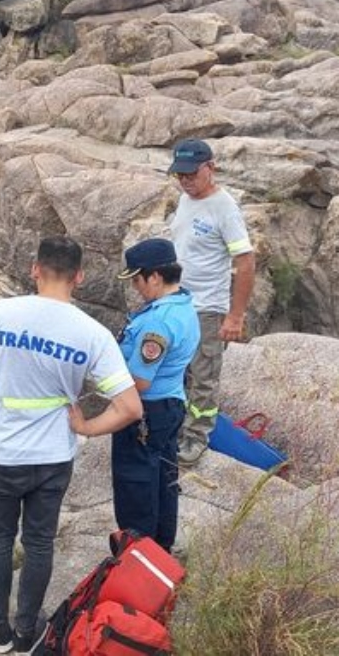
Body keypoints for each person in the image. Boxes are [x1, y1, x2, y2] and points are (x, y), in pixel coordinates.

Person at [0, 236, 142, 653]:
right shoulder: (92, 333)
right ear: (79, 277)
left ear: (35, 270)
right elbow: (130, 407)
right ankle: (27, 631)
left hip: (2, 452)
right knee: (40, 542)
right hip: (53, 456)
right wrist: (87, 427)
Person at [74, 238, 198, 551]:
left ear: (154, 276)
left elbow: (139, 381)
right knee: (163, 482)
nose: (136, 287)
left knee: (135, 485)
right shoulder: (184, 306)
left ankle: (135, 557)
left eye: (137, 280)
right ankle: (160, 552)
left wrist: (95, 378)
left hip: (145, 413)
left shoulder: (158, 321)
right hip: (170, 405)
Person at [167, 139, 256, 465]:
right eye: (180, 175)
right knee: (174, 371)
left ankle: (196, 438)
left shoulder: (224, 207)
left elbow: (245, 262)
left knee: (203, 377)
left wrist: (235, 315)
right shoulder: (185, 200)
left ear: (210, 168)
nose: (186, 181)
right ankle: (173, 429)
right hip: (176, 302)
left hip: (207, 307)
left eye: (191, 174)